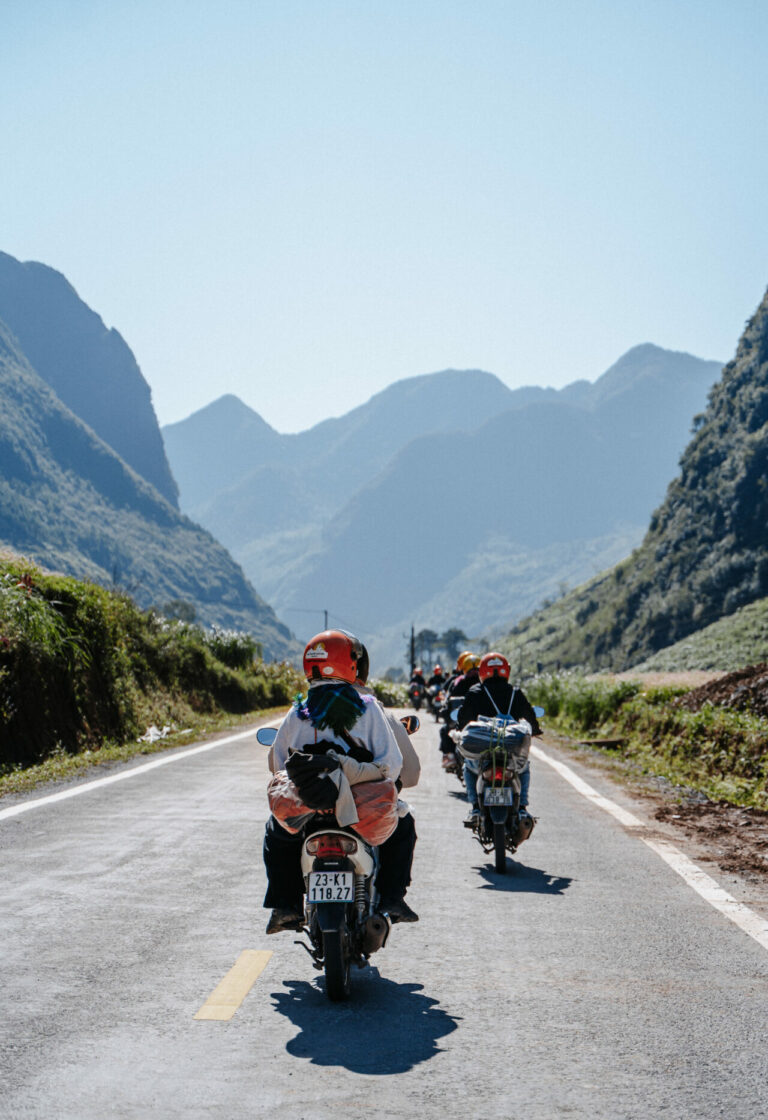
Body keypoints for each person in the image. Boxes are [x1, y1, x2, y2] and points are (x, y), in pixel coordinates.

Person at [263, 629, 416, 934]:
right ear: (350, 664)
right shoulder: (368, 707)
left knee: (275, 832)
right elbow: (392, 764)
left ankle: (286, 906)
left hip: (310, 804)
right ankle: (392, 900)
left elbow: (278, 766)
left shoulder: (298, 711)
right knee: (403, 827)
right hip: (361, 808)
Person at [455, 651, 542, 825]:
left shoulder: (475, 692)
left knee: (468, 768)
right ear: (506, 670)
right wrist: (536, 730)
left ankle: (475, 808)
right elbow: (529, 717)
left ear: (482, 671)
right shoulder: (515, 692)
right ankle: (522, 807)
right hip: (511, 751)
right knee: (524, 768)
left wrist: (461, 729)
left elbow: (463, 720)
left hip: (483, 753)